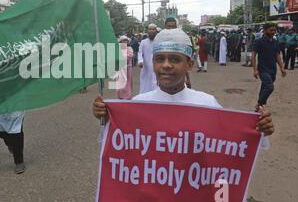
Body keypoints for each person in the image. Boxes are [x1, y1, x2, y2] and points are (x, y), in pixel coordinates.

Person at [93, 29, 275, 137]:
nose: (165, 65)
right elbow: (122, 140)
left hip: (193, 197)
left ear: (189, 64)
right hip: (152, 196)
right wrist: (107, 117)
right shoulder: (139, 103)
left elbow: (231, 141)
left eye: (174, 59)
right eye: (160, 59)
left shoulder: (207, 104)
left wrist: (260, 129)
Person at [251, 23, 287, 112]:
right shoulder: (258, 42)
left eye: (274, 30)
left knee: (264, 87)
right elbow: (253, 56)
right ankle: (259, 104)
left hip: (273, 70)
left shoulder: (275, 42)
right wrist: (255, 70)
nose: (273, 32)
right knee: (270, 87)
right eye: (271, 30)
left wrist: (282, 68)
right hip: (263, 69)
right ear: (265, 30)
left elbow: (277, 55)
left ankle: (259, 107)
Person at [138, 24, 158, 93]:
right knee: (145, 84)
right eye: (150, 29)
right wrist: (140, 61)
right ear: (147, 31)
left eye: (153, 29)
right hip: (146, 67)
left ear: (156, 31)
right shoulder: (143, 42)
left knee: (156, 83)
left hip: (157, 66)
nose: (151, 31)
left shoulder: (159, 42)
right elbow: (140, 52)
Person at [116, 36, 134, 100]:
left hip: (128, 68)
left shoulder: (129, 48)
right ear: (121, 42)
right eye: (123, 40)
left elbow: (130, 56)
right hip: (120, 68)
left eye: (126, 40)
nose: (125, 42)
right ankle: (120, 95)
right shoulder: (118, 48)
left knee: (127, 82)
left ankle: (127, 96)